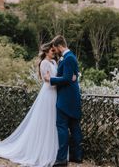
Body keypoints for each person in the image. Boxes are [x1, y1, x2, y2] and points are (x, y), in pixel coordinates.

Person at [0, 42, 59, 166]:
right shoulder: (44, 63)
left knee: (53, 121)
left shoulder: (54, 63)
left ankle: (52, 149)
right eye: (52, 51)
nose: (54, 53)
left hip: (55, 94)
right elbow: (47, 80)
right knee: (45, 120)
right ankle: (40, 151)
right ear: (46, 52)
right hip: (48, 94)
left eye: (55, 51)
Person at [44, 35, 83, 167]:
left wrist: (52, 80)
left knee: (62, 128)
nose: (55, 51)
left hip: (65, 100)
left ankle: (61, 160)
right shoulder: (70, 57)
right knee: (74, 127)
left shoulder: (68, 58)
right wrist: (72, 77)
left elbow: (67, 78)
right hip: (72, 99)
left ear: (59, 46)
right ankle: (76, 156)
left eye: (55, 48)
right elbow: (71, 76)